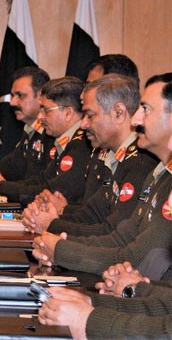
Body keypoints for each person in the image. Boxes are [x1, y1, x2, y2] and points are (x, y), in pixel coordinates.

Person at [32, 73, 172, 281]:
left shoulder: (142, 163)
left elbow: (136, 256)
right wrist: (57, 242)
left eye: (146, 109)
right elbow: (119, 236)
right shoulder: (159, 173)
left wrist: (59, 245)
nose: (136, 120)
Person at [22, 75, 157, 236]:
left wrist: (51, 225)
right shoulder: (117, 157)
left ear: (119, 113)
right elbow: (91, 214)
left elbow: (112, 233)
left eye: (90, 115)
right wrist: (47, 216)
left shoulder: (140, 161)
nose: (83, 124)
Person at [0, 77, 92, 205]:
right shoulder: (67, 141)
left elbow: (52, 192)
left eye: (46, 110)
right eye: (40, 110)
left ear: (68, 113)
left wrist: (0, 186)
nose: (39, 116)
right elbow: (42, 181)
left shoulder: (83, 144)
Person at [0, 67, 53, 184]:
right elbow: (10, 165)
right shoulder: (29, 130)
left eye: (20, 95)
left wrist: (1, 185)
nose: (12, 102)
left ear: (40, 97)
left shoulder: (52, 133)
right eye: (12, 95)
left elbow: (42, 184)